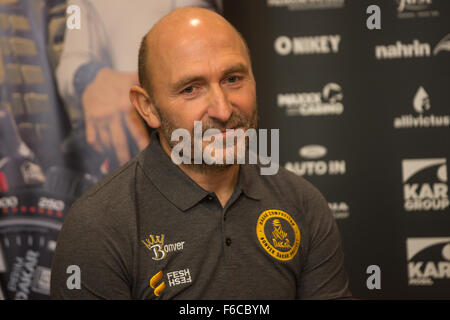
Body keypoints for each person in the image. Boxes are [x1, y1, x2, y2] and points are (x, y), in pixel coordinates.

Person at [50, 7, 352, 300]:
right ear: (147, 107)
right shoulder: (97, 226)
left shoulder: (301, 202)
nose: (222, 110)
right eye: (191, 89)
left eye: (233, 79)